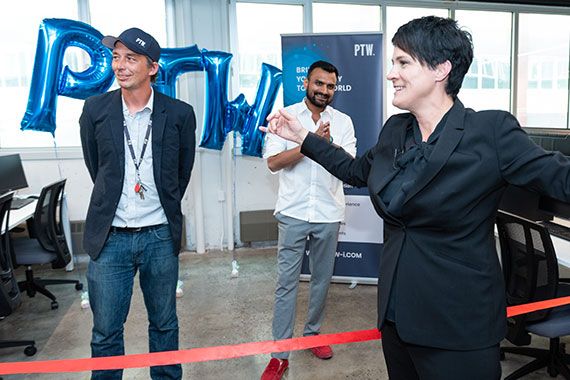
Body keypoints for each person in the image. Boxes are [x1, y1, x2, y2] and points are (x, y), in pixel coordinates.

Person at [262, 16, 570, 380]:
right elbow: (356, 171)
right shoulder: (396, 130)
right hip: (396, 320)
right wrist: (303, 136)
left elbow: (560, 178)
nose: (392, 73)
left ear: (441, 69)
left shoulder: (490, 132)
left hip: (457, 327)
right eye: (393, 63)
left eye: (403, 62)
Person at [79, 27, 196, 380]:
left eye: (131, 58)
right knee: (105, 332)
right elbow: (95, 165)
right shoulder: (95, 109)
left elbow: (181, 172)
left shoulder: (179, 114)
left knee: (164, 325)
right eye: (116, 57)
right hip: (110, 237)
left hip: (159, 236)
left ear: (153, 68)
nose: (120, 65)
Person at [260, 60, 356, 380]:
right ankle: (279, 355)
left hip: (328, 213)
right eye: (319, 84)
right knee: (285, 284)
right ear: (307, 84)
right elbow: (273, 162)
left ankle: (313, 334)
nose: (324, 91)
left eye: (330, 86)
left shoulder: (343, 122)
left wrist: (326, 144)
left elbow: (351, 166)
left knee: (321, 280)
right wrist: (309, 143)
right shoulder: (285, 117)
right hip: (293, 212)